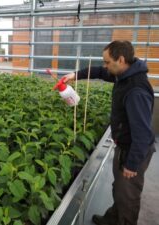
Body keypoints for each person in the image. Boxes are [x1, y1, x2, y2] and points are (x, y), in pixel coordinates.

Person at [62, 40, 156, 225]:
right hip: (124, 145)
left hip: (133, 151)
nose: (105, 66)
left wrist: (132, 164)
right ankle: (113, 219)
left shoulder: (135, 89)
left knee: (128, 195)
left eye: (107, 62)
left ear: (120, 59)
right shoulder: (124, 74)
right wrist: (75, 75)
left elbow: (142, 134)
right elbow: (98, 71)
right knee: (119, 188)